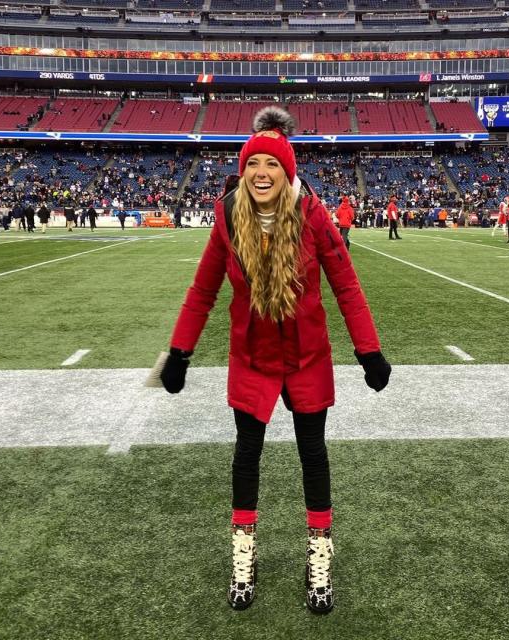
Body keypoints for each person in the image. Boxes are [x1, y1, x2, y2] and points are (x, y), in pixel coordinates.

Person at [159, 107, 391, 614]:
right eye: (252, 163)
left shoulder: (313, 215)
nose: (261, 172)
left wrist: (368, 349)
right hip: (253, 355)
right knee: (247, 455)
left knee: (314, 455)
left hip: (308, 356)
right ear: (242, 170)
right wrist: (180, 352)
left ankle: (319, 558)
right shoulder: (226, 216)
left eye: (271, 163)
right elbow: (202, 290)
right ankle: (244, 556)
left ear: (287, 172)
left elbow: (346, 284)